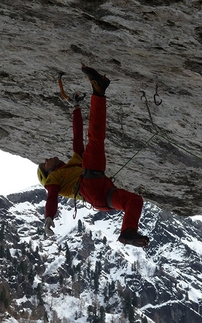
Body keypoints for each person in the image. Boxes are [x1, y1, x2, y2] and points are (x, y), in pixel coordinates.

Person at [37, 64, 149, 248]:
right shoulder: (54, 180)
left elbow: (77, 138)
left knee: (134, 200)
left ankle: (128, 232)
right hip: (92, 188)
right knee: (95, 139)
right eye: (44, 164)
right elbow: (51, 197)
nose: (47, 159)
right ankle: (98, 91)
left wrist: (76, 108)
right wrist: (49, 217)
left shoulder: (72, 164)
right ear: (48, 174)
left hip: (100, 195)